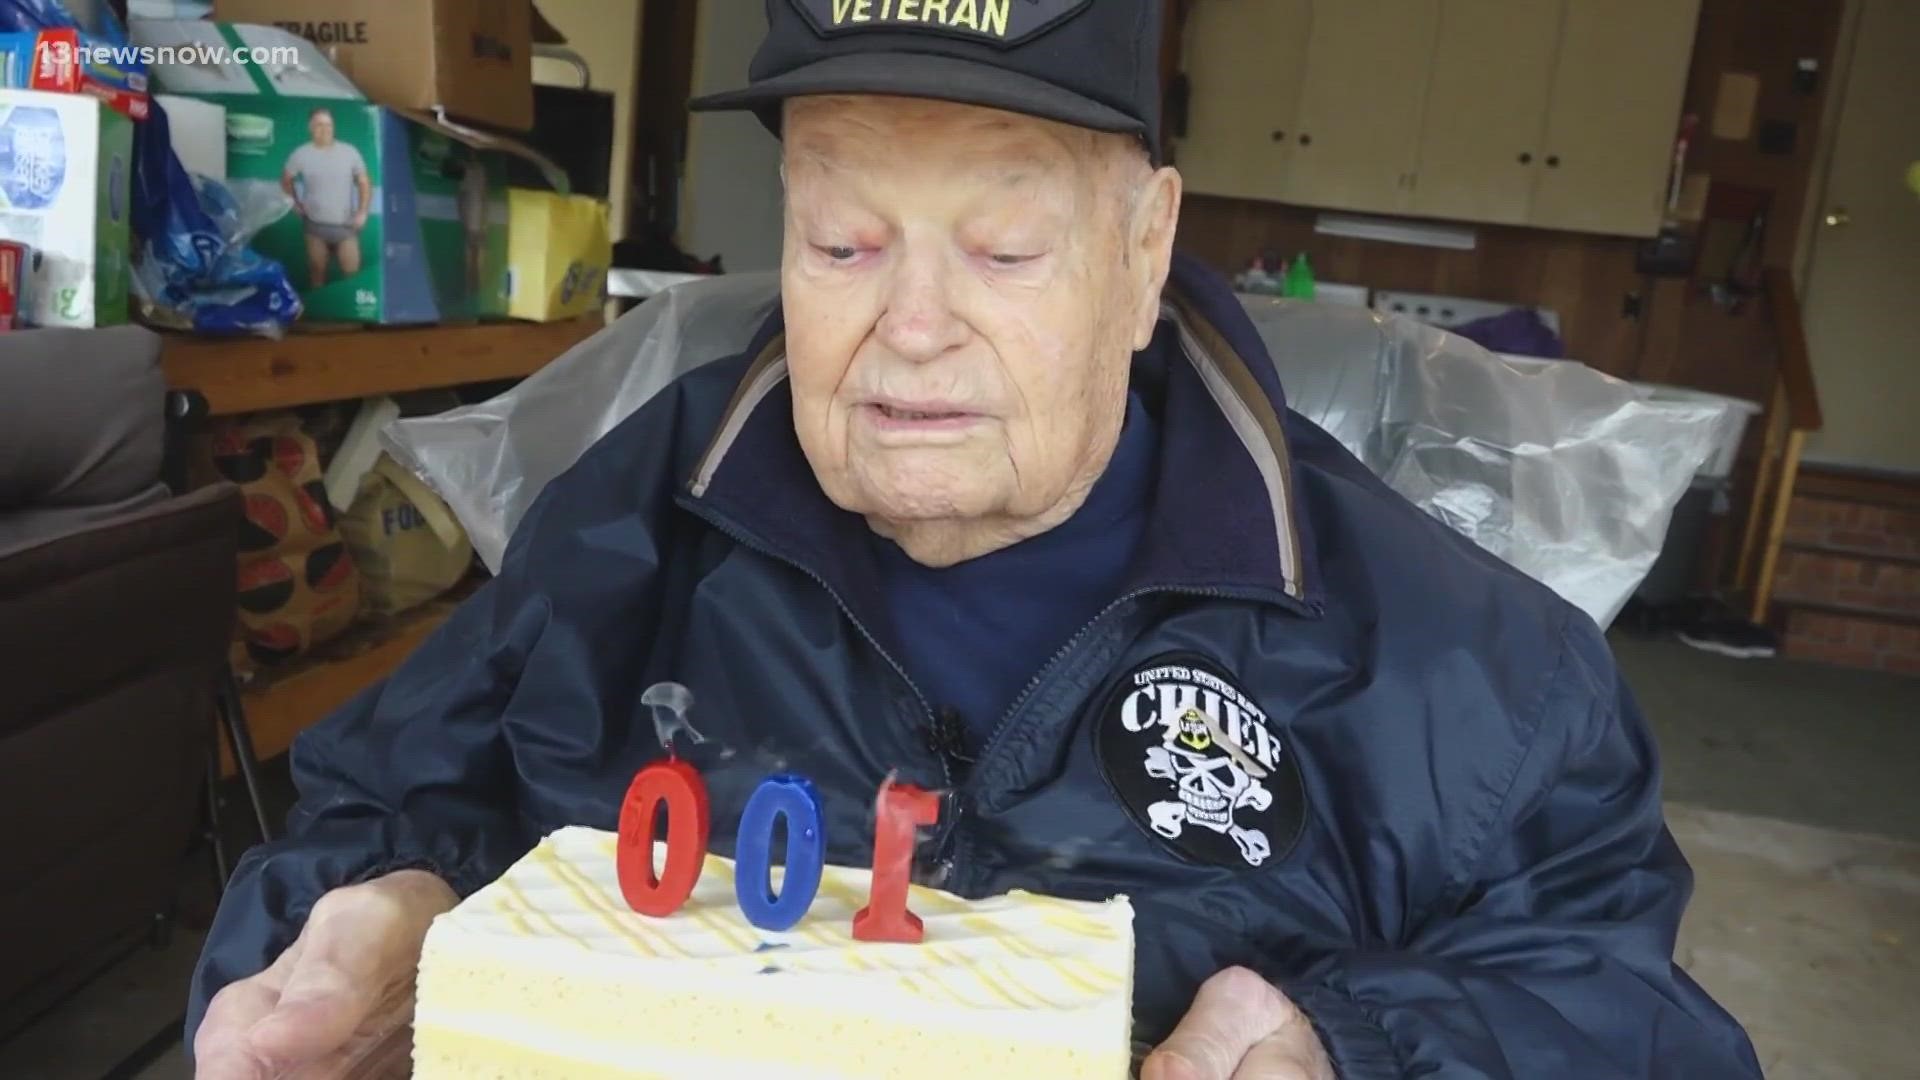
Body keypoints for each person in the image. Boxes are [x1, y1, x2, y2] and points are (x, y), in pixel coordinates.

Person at [190, 3, 1764, 1078]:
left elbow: (1626, 1017)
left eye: (1005, 246)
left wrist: (1355, 1042)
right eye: (842, 240)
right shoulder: (623, 544)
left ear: (1146, 250)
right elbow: (373, 819)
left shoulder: (1465, 677)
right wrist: (392, 928)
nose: (913, 328)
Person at [282, 107, 371, 289]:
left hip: (346, 227)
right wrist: (295, 204)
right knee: (317, 273)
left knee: (352, 274)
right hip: (315, 228)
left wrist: (362, 212)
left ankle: (351, 316)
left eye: (328, 124)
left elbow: (364, 182)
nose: (325, 129)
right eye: (319, 124)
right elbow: (286, 179)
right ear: (310, 128)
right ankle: (320, 312)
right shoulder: (301, 154)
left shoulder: (349, 152)